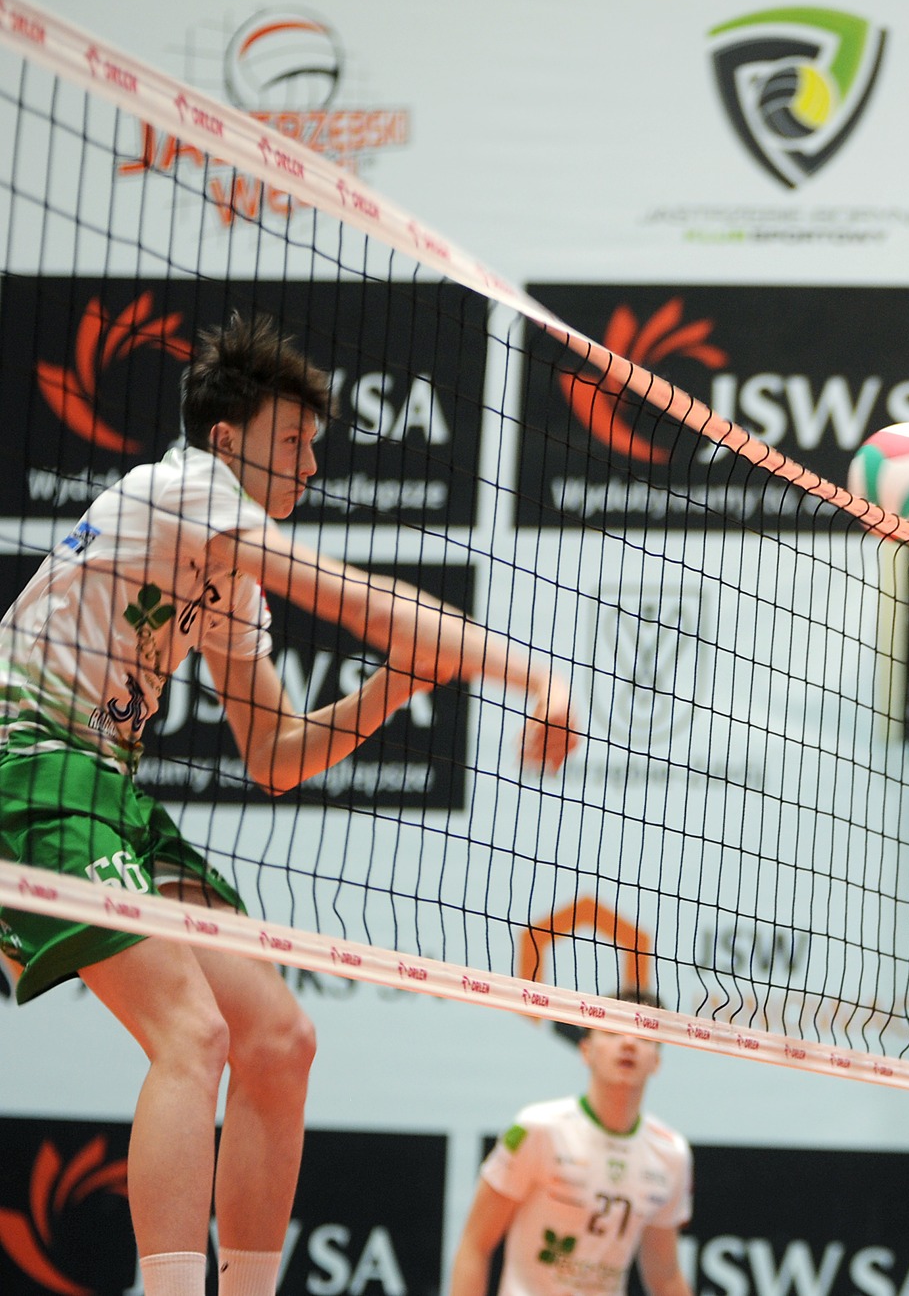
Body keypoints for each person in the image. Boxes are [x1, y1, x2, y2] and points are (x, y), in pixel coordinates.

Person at [0, 314, 579, 1296]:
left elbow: (273, 754)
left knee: (278, 1040)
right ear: (228, 438)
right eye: (295, 440)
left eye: (316, 442)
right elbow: (355, 600)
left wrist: (396, 684)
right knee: (193, 1034)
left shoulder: (227, 573)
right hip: (29, 760)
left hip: (104, 780)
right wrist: (533, 676)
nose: (312, 463)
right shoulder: (187, 488)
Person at [449, 991, 693, 1296]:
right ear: (586, 1050)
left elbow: (665, 1274)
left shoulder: (671, 1153)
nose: (629, 1043)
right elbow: (475, 1245)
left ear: (656, 1061)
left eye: (643, 1035)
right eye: (613, 1031)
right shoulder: (539, 1128)